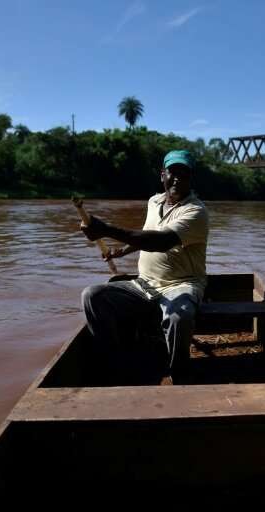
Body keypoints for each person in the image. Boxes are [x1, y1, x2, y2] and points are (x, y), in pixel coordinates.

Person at [79, 149, 209, 385]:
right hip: (144, 283)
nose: (178, 178)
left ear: (191, 179)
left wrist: (106, 230)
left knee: (180, 317)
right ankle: (116, 362)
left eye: (184, 174)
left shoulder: (196, 211)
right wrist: (123, 250)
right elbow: (148, 233)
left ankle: (179, 374)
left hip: (180, 284)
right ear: (162, 175)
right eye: (173, 172)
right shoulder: (154, 201)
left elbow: (160, 242)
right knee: (92, 295)